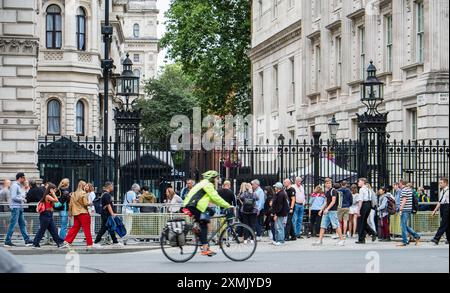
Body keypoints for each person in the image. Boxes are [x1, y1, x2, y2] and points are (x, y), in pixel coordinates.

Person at [182, 170, 232, 256]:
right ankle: (204, 249)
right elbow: (215, 197)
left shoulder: (204, 184)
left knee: (211, 212)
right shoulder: (207, 184)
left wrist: (223, 205)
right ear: (211, 178)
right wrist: (227, 205)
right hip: (194, 205)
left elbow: (212, 199)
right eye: (216, 178)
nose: (218, 180)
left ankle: (197, 230)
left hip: (196, 205)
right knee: (204, 224)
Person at [32, 183, 66, 249]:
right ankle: (35, 243)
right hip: (45, 214)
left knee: (53, 230)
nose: (55, 190)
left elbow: (54, 204)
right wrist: (53, 193)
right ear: (50, 189)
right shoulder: (47, 196)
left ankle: (59, 243)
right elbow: (56, 200)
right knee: (42, 229)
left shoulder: (50, 196)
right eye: (54, 189)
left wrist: (53, 194)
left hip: (49, 214)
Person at [313, 178, 345, 246]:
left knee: (336, 225)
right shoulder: (327, 191)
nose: (328, 184)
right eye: (327, 183)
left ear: (331, 184)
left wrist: (327, 209)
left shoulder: (333, 191)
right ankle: (320, 240)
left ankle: (342, 240)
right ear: (325, 184)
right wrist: (321, 209)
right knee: (323, 225)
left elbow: (333, 201)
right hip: (327, 211)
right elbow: (326, 202)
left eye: (329, 183)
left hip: (332, 210)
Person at [4, 173, 33, 247]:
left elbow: (15, 196)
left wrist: (21, 198)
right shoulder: (15, 185)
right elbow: (13, 197)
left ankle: (27, 240)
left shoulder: (17, 185)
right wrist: (22, 199)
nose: (25, 179)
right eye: (24, 178)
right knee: (13, 224)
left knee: (22, 224)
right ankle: (7, 240)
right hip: (16, 207)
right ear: (20, 178)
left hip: (19, 207)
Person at [64, 180, 93, 248]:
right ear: (83, 186)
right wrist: (90, 203)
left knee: (74, 228)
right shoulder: (84, 193)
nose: (86, 186)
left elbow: (70, 204)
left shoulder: (73, 194)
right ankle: (89, 244)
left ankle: (67, 240)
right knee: (87, 229)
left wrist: (70, 213)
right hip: (83, 213)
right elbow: (85, 203)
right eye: (85, 185)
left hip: (76, 213)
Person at [94, 182, 121, 247]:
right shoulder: (107, 195)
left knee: (111, 227)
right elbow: (108, 205)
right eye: (112, 186)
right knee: (104, 228)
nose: (112, 187)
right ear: (109, 187)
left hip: (106, 214)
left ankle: (115, 241)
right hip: (106, 214)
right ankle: (95, 242)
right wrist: (112, 213)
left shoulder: (105, 194)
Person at [397, 180, 421, 247]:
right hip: (408, 209)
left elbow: (404, 199)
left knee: (402, 225)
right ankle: (416, 236)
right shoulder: (409, 190)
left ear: (401, 183)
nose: (398, 185)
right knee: (404, 225)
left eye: (399, 183)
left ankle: (405, 241)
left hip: (404, 209)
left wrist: (401, 208)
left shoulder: (404, 190)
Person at [356, 178, 377, 244]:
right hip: (369, 205)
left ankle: (361, 239)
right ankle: (372, 233)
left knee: (360, 222)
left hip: (364, 204)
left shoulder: (362, 189)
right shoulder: (368, 189)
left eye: (359, 181)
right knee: (364, 221)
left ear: (363, 182)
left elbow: (361, 200)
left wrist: (358, 210)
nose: (358, 183)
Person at [431, 178, 449, 245]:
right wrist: (434, 211)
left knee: (443, 224)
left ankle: (436, 238)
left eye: (441, 183)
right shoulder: (442, 191)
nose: (439, 184)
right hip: (443, 207)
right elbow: (439, 202)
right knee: (447, 225)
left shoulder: (448, 191)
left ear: (445, 183)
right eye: (439, 183)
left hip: (447, 207)